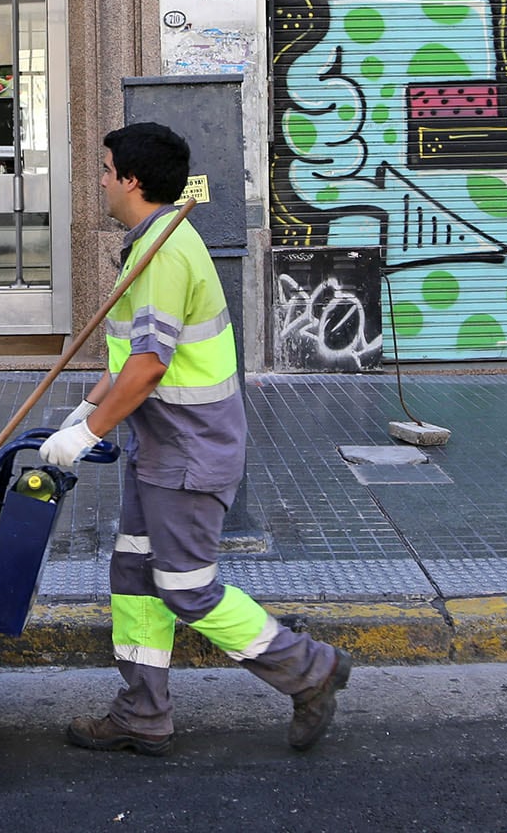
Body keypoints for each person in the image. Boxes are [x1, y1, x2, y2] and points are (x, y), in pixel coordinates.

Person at [39, 122, 351, 756]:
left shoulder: (165, 254)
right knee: (133, 575)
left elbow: (151, 366)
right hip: (159, 453)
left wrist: (88, 435)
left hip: (187, 453)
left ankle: (310, 670)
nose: (98, 180)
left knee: (184, 587)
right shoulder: (151, 243)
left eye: (103, 169)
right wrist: (87, 408)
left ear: (131, 179)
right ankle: (142, 715)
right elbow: (129, 357)